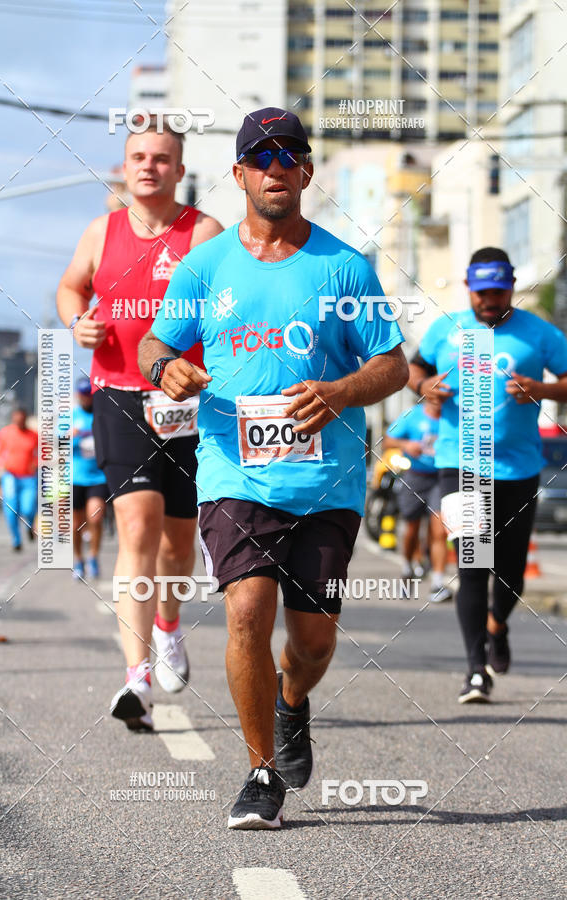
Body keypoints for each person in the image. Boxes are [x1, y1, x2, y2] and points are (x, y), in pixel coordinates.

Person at [139, 107, 408, 829]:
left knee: (313, 643)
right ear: (239, 175)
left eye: (289, 155)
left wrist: (341, 391)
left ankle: (292, 703)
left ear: (307, 172)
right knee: (248, 611)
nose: (276, 167)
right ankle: (261, 771)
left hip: (327, 482)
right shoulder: (205, 266)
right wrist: (165, 368)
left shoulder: (344, 267)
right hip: (235, 473)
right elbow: (155, 344)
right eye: (261, 157)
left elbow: (393, 366)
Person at [57, 122, 223, 724]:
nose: (148, 166)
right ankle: (137, 678)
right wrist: (77, 322)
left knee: (178, 542)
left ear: (179, 170)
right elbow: (70, 288)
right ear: (124, 168)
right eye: (137, 157)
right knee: (136, 525)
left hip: (185, 399)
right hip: (119, 395)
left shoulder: (204, 234)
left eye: (160, 158)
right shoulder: (100, 232)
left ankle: (169, 626)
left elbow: (229, 309)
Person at [409, 247, 567, 703]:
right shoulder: (447, 329)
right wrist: (424, 386)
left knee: (511, 572)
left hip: (518, 467)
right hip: (461, 464)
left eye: (498, 291)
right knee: (474, 563)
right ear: (468, 288)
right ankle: (476, 670)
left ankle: (497, 625)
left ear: (512, 287)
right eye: (481, 292)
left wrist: (542, 388)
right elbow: (414, 368)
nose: (489, 300)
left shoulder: (539, 332)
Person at [384, 401, 452, 602]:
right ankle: (407, 568)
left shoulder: (452, 415)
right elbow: (387, 440)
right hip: (415, 476)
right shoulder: (411, 415)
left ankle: (437, 584)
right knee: (411, 529)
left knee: (439, 530)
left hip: (441, 477)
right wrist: (405, 445)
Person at [72, 377, 108, 580]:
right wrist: (69, 436)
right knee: (75, 525)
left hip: (98, 476)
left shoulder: (102, 415)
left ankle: (93, 556)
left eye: (89, 394)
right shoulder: (71, 417)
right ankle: (79, 560)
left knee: (95, 517)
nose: (86, 398)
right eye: (83, 394)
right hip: (75, 477)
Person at [0, 409, 38, 551]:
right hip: (10, 477)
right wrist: (0, 463)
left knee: (28, 508)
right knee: (11, 510)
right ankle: (16, 540)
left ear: (25, 420)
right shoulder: (5, 433)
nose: (19, 423)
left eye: (21, 420)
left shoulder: (33, 435)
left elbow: (43, 453)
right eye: (16, 420)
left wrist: (36, 463)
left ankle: (29, 525)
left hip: (28, 478)